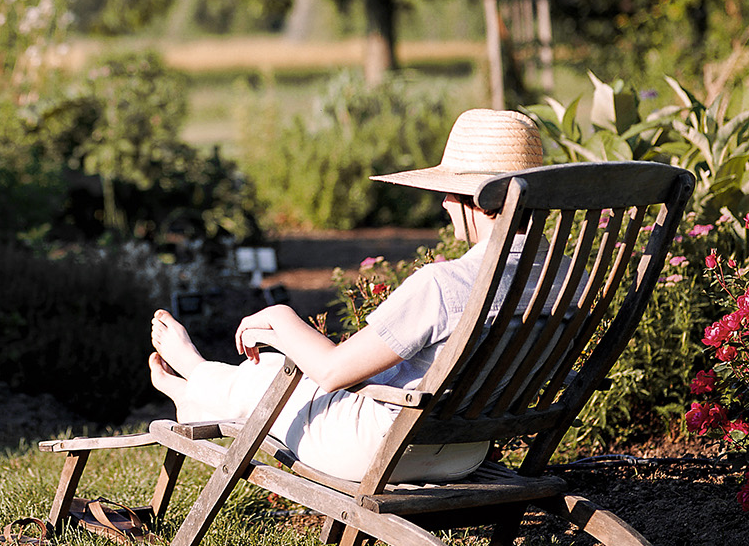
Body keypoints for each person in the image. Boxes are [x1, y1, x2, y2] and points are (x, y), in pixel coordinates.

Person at [146, 108, 547, 483]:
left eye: (449, 191)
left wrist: (282, 317)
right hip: (466, 453)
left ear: (481, 199)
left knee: (263, 374)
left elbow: (334, 372)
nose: (443, 201)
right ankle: (196, 389)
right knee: (271, 366)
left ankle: (195, 377)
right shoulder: (571, 277)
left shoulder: (446, 284)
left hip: (383, 450)